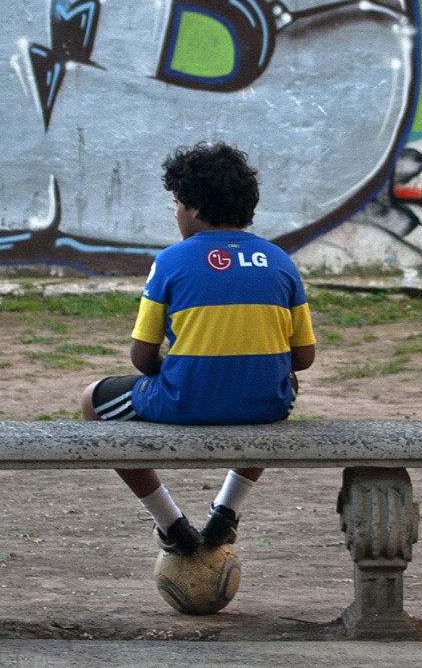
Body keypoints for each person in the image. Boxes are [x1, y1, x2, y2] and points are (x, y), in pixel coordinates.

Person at [80, 141, 316, 556]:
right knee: (279, 382)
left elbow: (140, 357)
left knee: (91, 402)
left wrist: (175, 366)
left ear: (193, 208)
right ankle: (227, 509)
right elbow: (303, 359)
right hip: (263, 405)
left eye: (176, 203)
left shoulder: (171, 261)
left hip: (181, 401)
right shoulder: (280, 261)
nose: (175, 213)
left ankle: (169, 522)